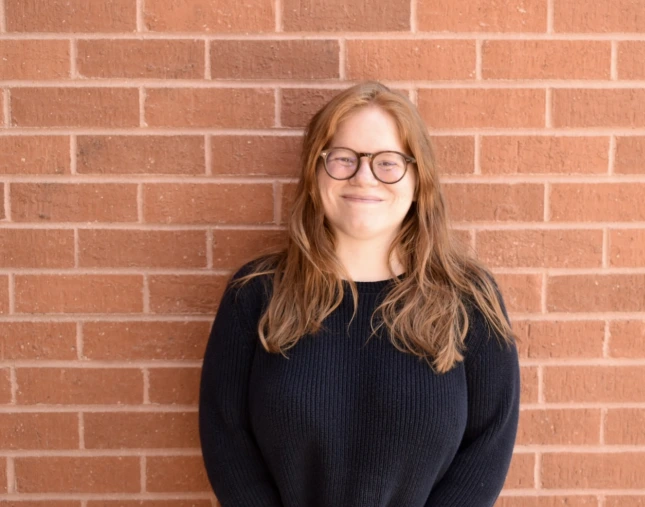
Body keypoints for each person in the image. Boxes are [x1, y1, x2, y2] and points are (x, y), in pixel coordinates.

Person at [198, 81, 521, 507]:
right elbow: (227, 438)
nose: (363, 177)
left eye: (388, 163)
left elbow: (487, 446)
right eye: (343, 159)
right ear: (315, 173)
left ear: (419, 177)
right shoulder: (257, 294)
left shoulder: (468, 300)